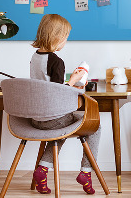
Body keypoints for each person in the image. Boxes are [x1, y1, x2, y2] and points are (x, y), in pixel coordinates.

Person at [30, 14, 100, 195]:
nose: (65, 41)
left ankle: (42, 170)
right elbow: (58, 93)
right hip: (53, 118)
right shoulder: (56, 61)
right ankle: (86, 172)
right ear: (56, 37)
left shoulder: (35, 57)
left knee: (60, 129)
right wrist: (75, 80)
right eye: (65, 37)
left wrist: (70, 81)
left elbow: (47, 86)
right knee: (95, 126)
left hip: (36, 118)